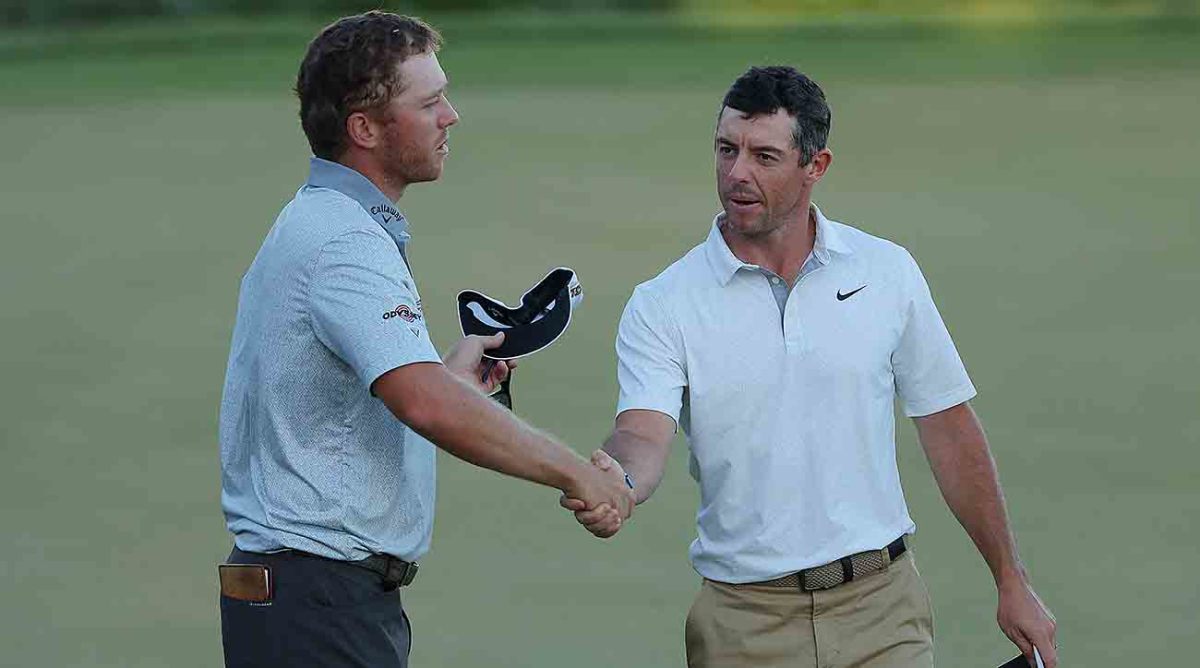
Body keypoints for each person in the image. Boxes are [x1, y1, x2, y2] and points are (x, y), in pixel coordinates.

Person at [565, 66, 1058, 667]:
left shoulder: (886, 272)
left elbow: (950, 430)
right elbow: (642, 433)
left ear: (815, 166)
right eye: (726, 149)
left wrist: (1010, 578)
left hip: (883, 610)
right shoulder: (663, 302)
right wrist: (618, 480)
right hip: (743, 624)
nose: (737, 173)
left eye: (764, 156)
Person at [217, 12, 632, 668]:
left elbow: (407, 395)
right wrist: (578, 473)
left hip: (315, 597)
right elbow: (425, 403)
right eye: (430, 102)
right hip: (317, 600)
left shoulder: (326, 221)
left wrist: (448, 378)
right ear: (365, 129)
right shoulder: (345, 240)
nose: (451, 117)